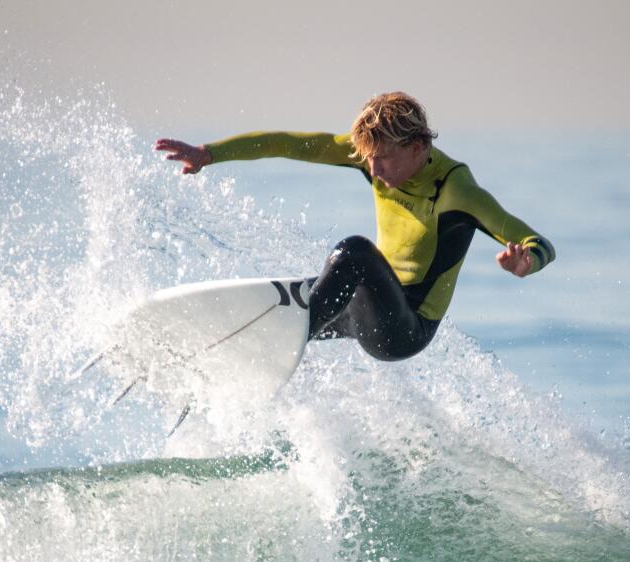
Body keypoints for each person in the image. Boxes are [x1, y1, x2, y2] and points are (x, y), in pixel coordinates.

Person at [155, 91, 555, 361]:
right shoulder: (371, 157)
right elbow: (288, 144)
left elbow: (539, 243)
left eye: (382, 159)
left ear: (418, 148)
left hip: (405, 328)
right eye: (367, 159)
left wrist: (525, 263)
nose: (373, 170)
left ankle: (284, 343)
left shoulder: (456, 190)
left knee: (355, 253)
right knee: (286, 297)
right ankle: (221, 353)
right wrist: (210, 154)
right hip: (366, 305)